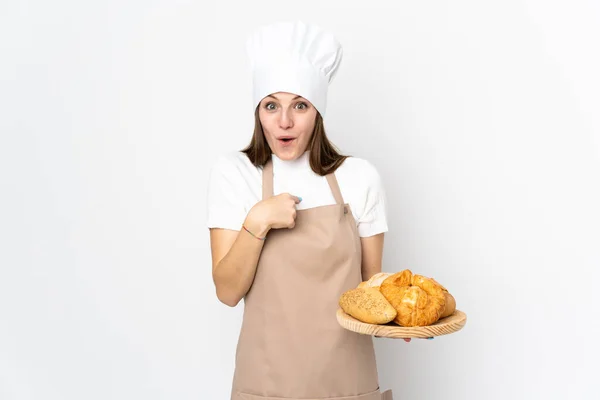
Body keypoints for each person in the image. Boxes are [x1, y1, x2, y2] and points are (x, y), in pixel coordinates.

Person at [207, 21, 395, 400]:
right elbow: (227, 291)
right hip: (266, 385)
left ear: (317, 112)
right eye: (271, 105)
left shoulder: (360, 178)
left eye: (300, 106)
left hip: (347, 384)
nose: (285, 121)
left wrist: (402, 318)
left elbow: (372, 290)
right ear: (258, 111)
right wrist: (257, 221)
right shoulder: (236, 173)